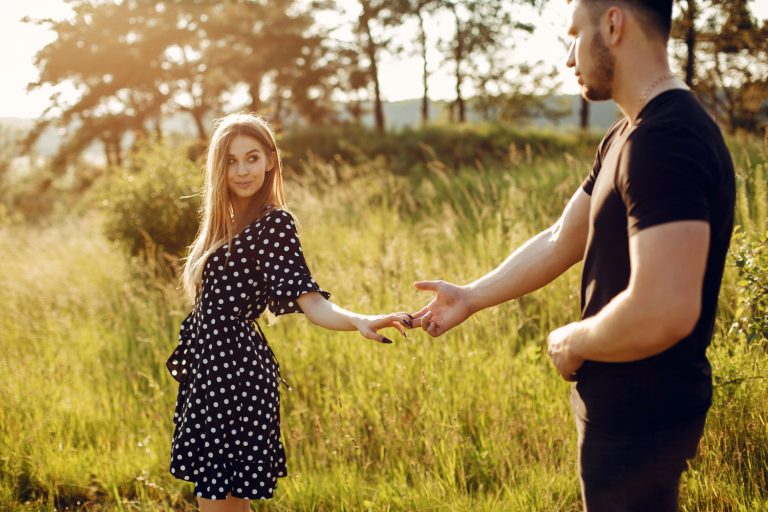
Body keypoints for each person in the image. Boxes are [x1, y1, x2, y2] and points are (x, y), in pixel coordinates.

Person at [410, 1, 735, 510]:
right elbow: (563, 235)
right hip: (622, 408)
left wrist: (572, 339)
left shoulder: (666, 139)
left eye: (573, 35)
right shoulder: (628, 132)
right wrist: (471, 297)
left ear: (612, 23)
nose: (568, 58)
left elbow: (665, 309)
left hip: (641, 414)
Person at [165, 112, 410, 511]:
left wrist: (359, 320)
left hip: (235, 377)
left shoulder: (274, 224)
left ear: (270, 161)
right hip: (210, 374)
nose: (242, 170)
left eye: (252, 158)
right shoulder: (224, 224)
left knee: (218, 502)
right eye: (230, 160)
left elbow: (310, 301)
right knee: (221, 503)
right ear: (218, 166)